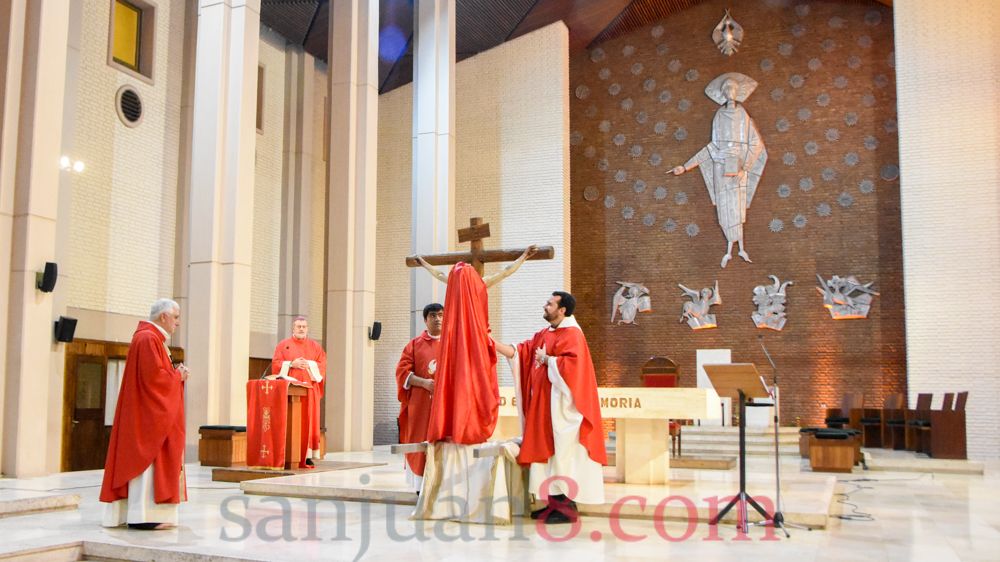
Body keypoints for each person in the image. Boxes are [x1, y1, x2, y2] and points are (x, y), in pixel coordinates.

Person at [494, 292, 606, 524]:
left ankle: (566, 509)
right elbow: (522, 353)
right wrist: (492, 343)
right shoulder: (545, 334)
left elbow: (574, 368)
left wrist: (548, 361)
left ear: (562, 310)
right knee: (549, 457)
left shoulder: (573, 334)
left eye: (550, 304)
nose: (545, 306)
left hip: (565, 411)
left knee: (563, 457)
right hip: (545, 409)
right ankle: (553, 506)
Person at [100, 298, 190, 530]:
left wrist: (173, 374)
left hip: (146, 414)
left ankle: (147, 516)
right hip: (148, 419)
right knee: (148, 465)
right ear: (163, 317)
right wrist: (177, 377)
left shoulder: (151, 338)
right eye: (176, 317)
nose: (178, 323)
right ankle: (144, 518)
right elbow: (154, 382)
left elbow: (156, 375)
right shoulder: (148, 339)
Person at [671, 72, 767, 268]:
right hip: (720, 165)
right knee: (724, 207)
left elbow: (755, 144)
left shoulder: (743, 115)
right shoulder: (719, 115)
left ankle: (740, 247)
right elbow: (713, 146)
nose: (728, 92)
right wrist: (685, 166)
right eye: (725, 89)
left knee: (737, 206)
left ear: (737, 91)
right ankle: (729, 249)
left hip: (737, 165)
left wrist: (745, 166)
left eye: (731, 88)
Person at [395, 303, 443, 490]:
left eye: (440, 315)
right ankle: (420, 486)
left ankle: (441, 484)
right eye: (433, 315)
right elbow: (401, 372)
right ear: (425, 320)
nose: (438, 318)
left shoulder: (452, 343)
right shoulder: (415, 345)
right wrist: (425, 383)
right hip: (421, 405)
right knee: (419, 439)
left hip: (444, 404)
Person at [271, 316, 327, 468]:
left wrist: (308, 365)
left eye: (304, 326)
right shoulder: (283, 345)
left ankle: (308, 455)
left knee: (309, 421)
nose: (301, 329)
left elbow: (322, 366)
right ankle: (290, 453)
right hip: (290, 392)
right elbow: (276, 365)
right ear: (293, 329)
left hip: (309, 391)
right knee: (292, 421)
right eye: (298, 326)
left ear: (307, 328)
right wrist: (291, 364)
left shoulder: (315, 347)